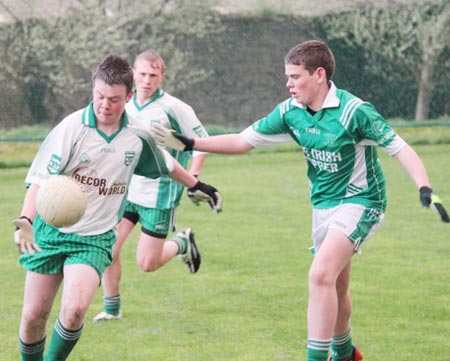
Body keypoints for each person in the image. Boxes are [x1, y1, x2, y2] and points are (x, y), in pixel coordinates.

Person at [151, 40, 449, 361]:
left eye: (295, 76)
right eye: (287, 77)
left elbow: (399, 147)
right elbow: (241, 140)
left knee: (319, 275)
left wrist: (424, 187)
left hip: (361, 201)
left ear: (319, 74)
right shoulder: (290, 112)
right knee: (335, 286)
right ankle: (346, 352)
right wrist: (191, 142)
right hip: (322, 206)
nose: (288, 84)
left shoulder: (354, 112)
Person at [12, 54, 221, 361]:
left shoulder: (137, 135)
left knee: (75, 310)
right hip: (51, 230)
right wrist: (25, 218)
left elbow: (166, 163)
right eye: (99, 97)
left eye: (114, 99)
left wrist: (195, 184)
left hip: (94, 238)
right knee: (33, 317)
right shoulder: (71, 128)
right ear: (92, 91)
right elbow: (40, 180)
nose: (104, 105)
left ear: (128, 96)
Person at [92, 49, 212, 322]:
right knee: (108, 249)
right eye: (142, 74)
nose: (147, 80)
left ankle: (182, 242)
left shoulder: (174, 108)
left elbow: (201, 145)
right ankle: (112, 310)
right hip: (126, 192)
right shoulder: (125, 102)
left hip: (160, 196)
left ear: (162, 77)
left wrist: (193, 182)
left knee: (147, 264)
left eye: (153, 75)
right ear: (133, 74)